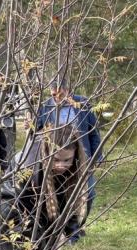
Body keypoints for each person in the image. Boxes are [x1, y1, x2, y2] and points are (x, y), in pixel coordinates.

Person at [35, 80, 101, 237]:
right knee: (59, 195)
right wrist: (31, 127)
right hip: (54, 160)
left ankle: (76, 227)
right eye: (53, 95)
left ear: (68, 91)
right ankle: (60, 231)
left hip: (79, 159)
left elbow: (93, 134)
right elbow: (38, 132)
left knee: (88, 193)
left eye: (61, 94)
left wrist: (95, 158)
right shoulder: (45, 107)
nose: (57, 98)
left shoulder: (83, 104)